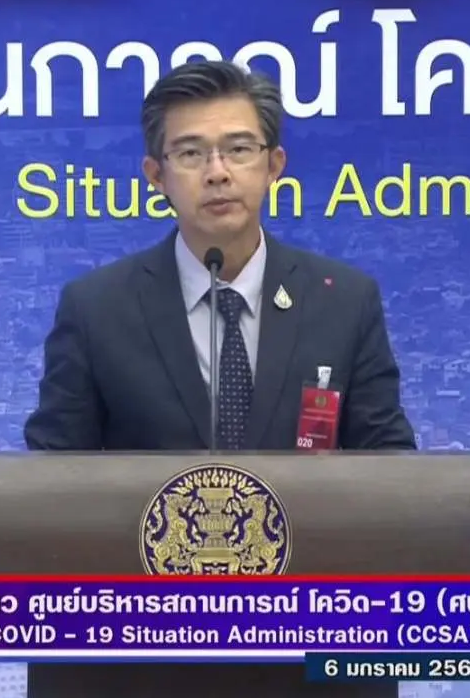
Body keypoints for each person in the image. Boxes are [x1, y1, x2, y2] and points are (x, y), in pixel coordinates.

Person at [24, 60, 416, 452]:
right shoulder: (96, 310)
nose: (217, 172)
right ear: (156, 175)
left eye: (238, 149)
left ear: (274, 165)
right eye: (191, 153)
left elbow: (389, 460)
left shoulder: (344, 303)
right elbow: (54, 468)